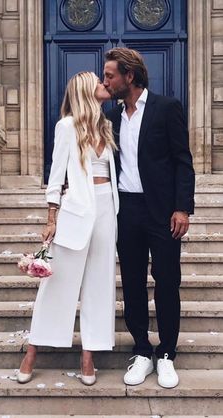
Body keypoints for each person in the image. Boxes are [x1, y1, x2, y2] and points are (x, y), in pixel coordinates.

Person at [17, 71, 119, 385]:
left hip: (107, 210)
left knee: (100, 286)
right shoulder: (67, 126)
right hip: (77, 211)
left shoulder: (107, 126)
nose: (104, 84)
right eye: (98, 82)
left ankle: (88, 355)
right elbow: (56, 174)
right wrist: (51, 218)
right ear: (86, 91)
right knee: (57, 286)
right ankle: (32, 351)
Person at [104, 48, 195, 388]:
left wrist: (183, 207)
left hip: (163, 211)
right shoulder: (109, 118)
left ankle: (167, 353)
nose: (105, 80)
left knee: (167, 280)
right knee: (131, 282)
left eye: (111, 75)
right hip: (126, 211)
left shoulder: (166, 108)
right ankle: (142, 349)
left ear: (130, 76)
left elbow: (182, 160)